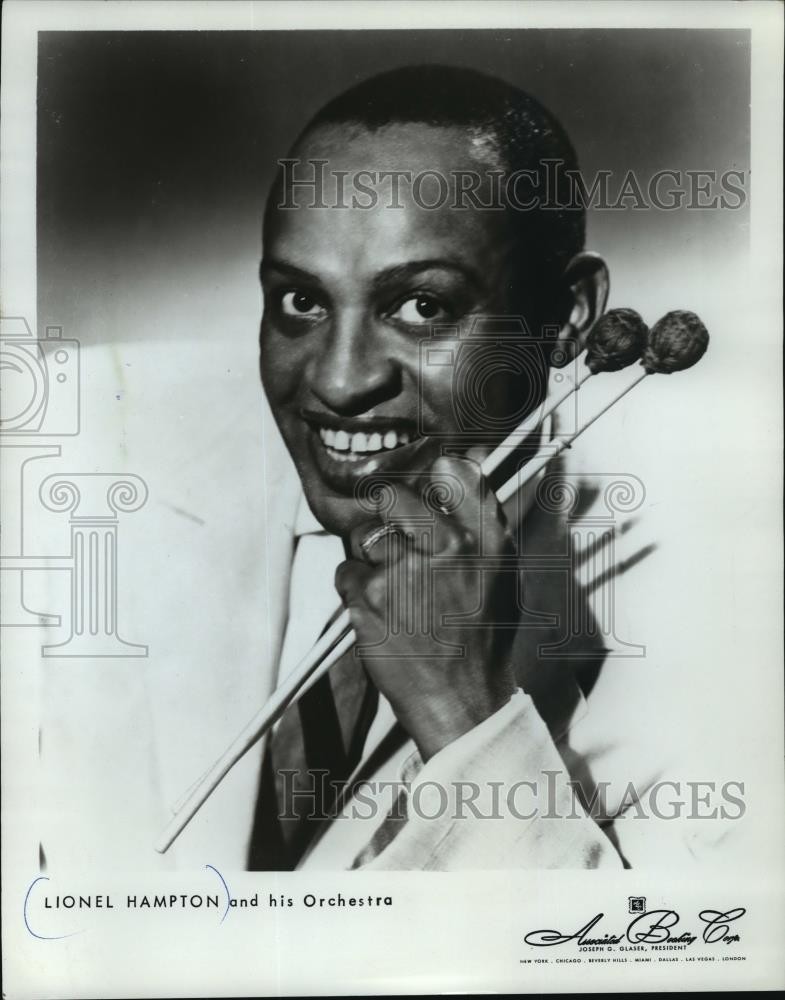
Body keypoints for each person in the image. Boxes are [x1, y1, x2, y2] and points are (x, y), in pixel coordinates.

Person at [249, 64, 626, 870]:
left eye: (422, 306)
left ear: (565, 319)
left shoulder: (714, 636)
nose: (340, 382)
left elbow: (631, 955)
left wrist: (466, 714)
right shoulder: (96, 483)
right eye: (300, 302)